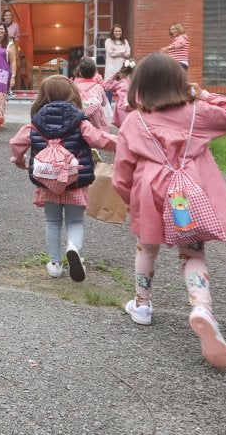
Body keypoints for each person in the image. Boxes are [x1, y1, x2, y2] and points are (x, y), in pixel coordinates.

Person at [113, 53, 226, 369]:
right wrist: (203, 94)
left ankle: (142, 305)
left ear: (139, 86)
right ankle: (202, 307)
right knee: (192, 254)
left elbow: (122, 171)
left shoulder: (134, 120)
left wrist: (129, 198)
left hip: (150, 191)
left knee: (146, 247)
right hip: (186, 194)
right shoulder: (196, 113)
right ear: (179, 83)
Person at [9, 76, 115, 281]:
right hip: (74, 181)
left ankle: (55, 264)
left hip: (47, 181)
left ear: (42, 96)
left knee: (52, 222)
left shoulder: (36, 121)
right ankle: (73, 248)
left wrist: (19, 159)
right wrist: (125, 142)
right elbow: (99, 139)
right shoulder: (80, 120)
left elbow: (17, 142)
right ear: (71, 94)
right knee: (75, 221)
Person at [70, 56, 110, 136]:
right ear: (94, 73)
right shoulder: (98, 87)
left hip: (82, 115)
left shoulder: (76, 87)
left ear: (80, 73)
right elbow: (104, 103)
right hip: (97, 115)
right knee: (99, 134)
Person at [105, 58, 137, 129]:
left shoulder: (119, 80)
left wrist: (113, 76)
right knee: (133, 127)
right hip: (133, 104)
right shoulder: (137, 81)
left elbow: (107, 87)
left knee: (124, 128)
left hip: (122, 106)